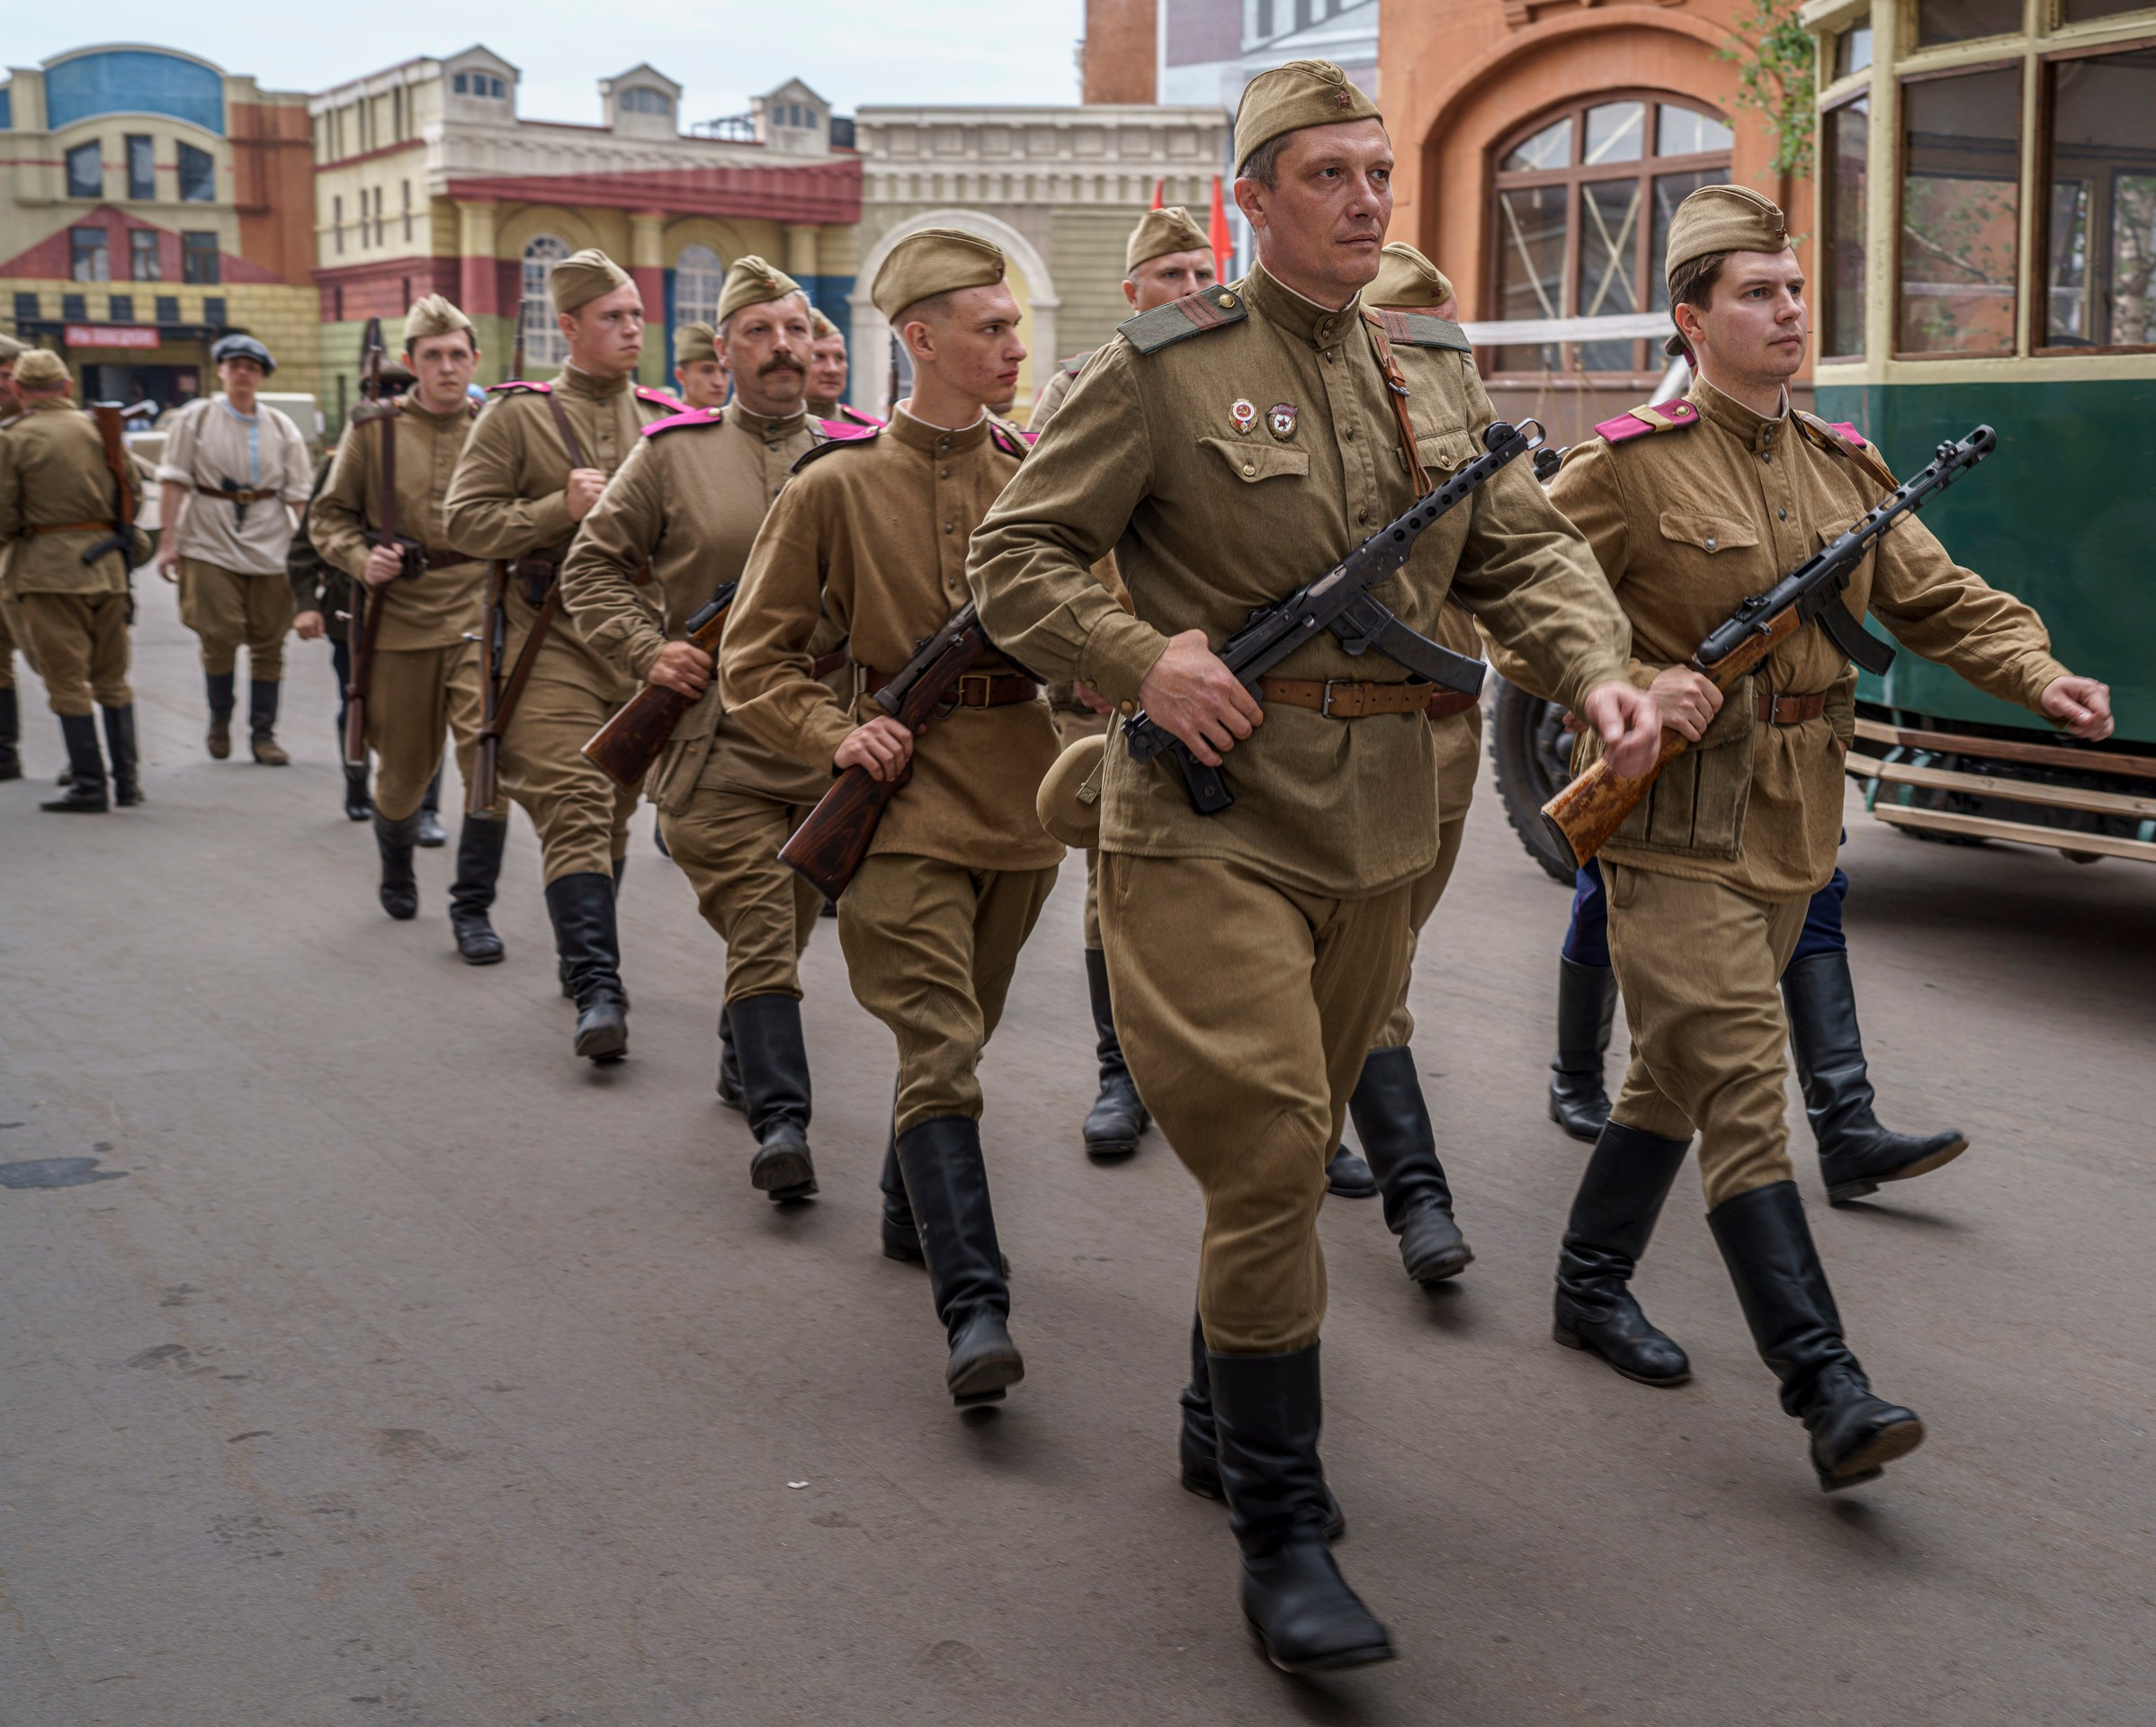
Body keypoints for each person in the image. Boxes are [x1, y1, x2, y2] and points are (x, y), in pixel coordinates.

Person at [968, 60, 1655, 1671]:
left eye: (1375, 175)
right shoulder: (1162, 369)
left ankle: (1221, 1405)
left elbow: (1519, 545)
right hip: (1209, 813)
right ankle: (1281, 1527)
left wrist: (1593, 665)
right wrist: (1140, 660)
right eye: (1327, 175)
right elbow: (1014, 556)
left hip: (1388, 824)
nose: (1363, 200)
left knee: (1294, 1127)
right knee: (1278, 1152)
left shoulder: (1427, 362)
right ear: (1254, 201)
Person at [1536, 183, 2111, 1494]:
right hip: (1670, 827)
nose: (1788, 311)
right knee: (1742, 1090)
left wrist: (2038, 673)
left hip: (1794, 822)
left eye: (1795, 291)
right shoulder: (1623, 466)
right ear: (1692, 317)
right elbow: (1525, 604)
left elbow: (1941, 601)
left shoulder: (1839, 468)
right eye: (1756, 292)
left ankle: (1586, 1281)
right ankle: (1826, 1386)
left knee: (1670, 1078)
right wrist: (1627, 679)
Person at [720, 229, 1061, 1408]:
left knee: (962, 1034)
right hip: (901, 810)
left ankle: (902, 1202)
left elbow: (1101, 628)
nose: (1014, 345)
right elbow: (752, 662)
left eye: (1015, 325)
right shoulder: (835, 487)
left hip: (1025, 811)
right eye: (992, 327)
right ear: (920, 340)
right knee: (941, 1045)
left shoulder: (1039, 479)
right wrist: (833, 735)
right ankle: (977, 1308)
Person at [563, 258, 842, 1199]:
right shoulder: (670, 454)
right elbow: (591, 569)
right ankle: (782, 1122)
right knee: (764, 922)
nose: (782, 350)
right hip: (715, 745)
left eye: (796, 332)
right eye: (759, 333)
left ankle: (741, 1046)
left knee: (790, 922)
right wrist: (648, 652)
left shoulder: (855, 451)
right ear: (722, 352)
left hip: (824, 744)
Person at [443, 248, 684, 1061]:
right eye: (612, 317)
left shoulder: (666, 416)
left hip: (638, 639)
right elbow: (465, 523)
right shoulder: (514, 416)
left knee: (616, 808)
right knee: (576, 802)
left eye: (635, 316)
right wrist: (555, 507)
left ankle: (586, 957)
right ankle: (598, 987)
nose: (629, 329)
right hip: (549, 640)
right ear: (569, 326)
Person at [1025, 206, 1219, 1165]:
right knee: (1115, 882)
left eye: (1203, 271)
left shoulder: (1239, 378)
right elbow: (1042, 546)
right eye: (1172, 275)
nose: (1192, 290)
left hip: (1225, 677)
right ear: (1131, 291)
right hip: (1109, 681)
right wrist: (1103, 660)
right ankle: (1119, 1075)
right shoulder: (1078, 387)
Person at [1320, 239, 1484, 1280]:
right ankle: (1420, 1199)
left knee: (1388, 961)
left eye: (1441, 338)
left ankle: (1324, 1095)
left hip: (1449, 735)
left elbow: (1525, 567)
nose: (1428, 360)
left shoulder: (1465, 442)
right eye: (1408, 338)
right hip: (1343, 738)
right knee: (1375, 979)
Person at [1547, 854, 1966, 1203]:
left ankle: (1846, 1126)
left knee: (1812, 887)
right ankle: (1575, 1077)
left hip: (1786, 763)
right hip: (1675, 769)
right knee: (1608, 884)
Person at [310, 296, 507, 962]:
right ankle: (395, 859)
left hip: (482, 614)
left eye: (458, 355)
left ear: (475, 360)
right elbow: (327, 517)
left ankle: (471, 909)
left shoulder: (502, 426)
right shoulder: (374, 431)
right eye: (433, 356)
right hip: (399, 624)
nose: (447, 367)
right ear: (410, 362)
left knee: (488, 766)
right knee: (400, 777)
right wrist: (361, 557)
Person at [0, 348, 150, 811]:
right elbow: (135, 494)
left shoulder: (13, 438)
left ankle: (89, 785)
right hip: (107, 571)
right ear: (66, 388)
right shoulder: (100, 430)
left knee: (66, 680)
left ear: (20, 390)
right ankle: (127, 781)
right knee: (112, 678)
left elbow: (4, 513)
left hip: (47, 573)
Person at [154, 334, 313, 764]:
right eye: (235, 364)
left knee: (270, 639)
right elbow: (173, 480)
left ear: (261, 376)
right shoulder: (197, 418)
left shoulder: (281, 427)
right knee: (218, 633)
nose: (243, 372)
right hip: (209, 534)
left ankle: (264, 734)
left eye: (252, 366)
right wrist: (168, 543)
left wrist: (312, 555)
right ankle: (219, 720)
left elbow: (299, 495)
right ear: (222, 370)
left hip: (270, 536)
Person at [0, 333, 24, 783]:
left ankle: (84, 762)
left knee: (65, 661)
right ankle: (4, 753)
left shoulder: (42, 423)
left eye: (9, 376)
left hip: (29, 557)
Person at [804, 309, 880, 428]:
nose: (832, 369)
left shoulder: (867, 429)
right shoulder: (782, 426)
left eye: (839, 357)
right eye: (818, 357)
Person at [672, 321, 731, 409]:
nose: (719, 382)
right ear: (681, 376)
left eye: (724, 371)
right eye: (707, 371)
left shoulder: (737, 422)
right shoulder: (663, 421)